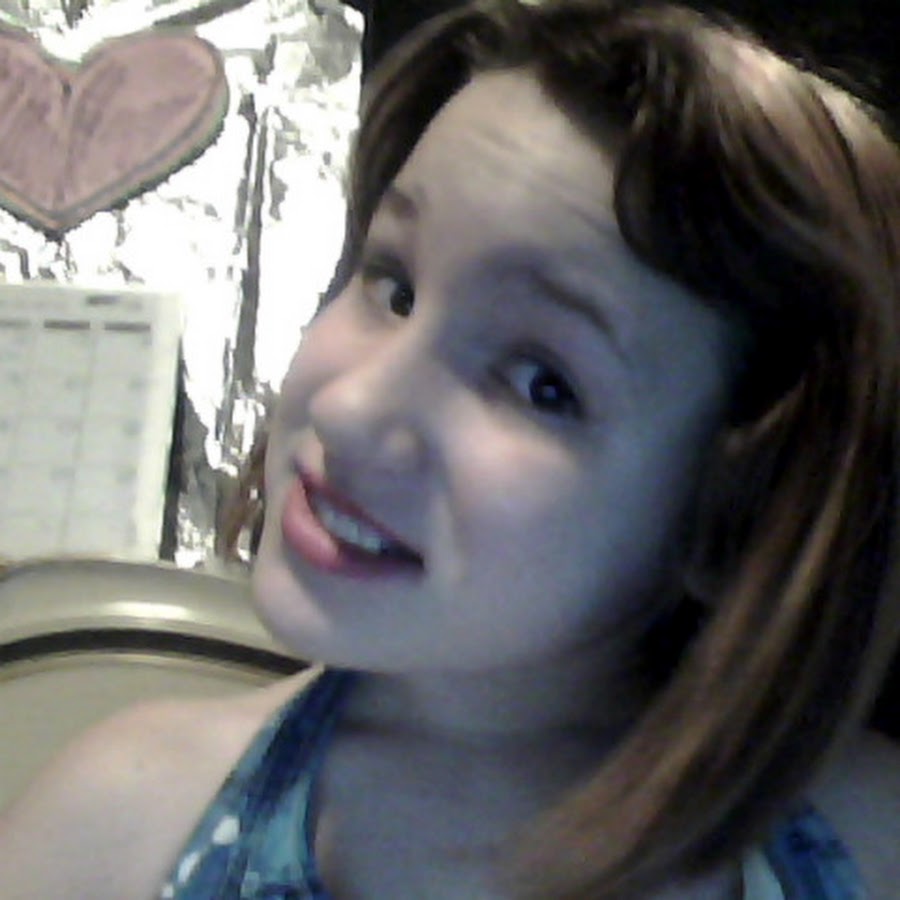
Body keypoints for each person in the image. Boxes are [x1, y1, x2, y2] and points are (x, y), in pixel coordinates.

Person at [3, 0, 900, 896]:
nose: (349, 409)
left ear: (741, 512)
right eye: (392, 285)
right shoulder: (115, 834)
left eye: (542, 382)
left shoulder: (870, 846)